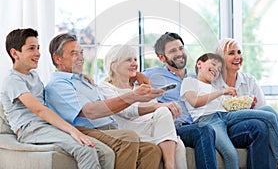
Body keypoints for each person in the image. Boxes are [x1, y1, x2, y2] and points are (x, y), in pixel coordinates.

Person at [143, 32, 271, 169]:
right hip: (179, 127)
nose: (179, 53)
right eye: (173, 51)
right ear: (161, 57)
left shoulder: (196, 77)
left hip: (209, 122)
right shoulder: (153, 75)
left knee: (258, 125)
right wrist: (159, 103)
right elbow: (131, 82)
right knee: (204, 130)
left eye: (181, 48)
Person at [44, 33, 163, 169]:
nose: (81, 58)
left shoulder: (82, 80)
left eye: (81, 53)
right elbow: (91, 112)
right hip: (84, 130)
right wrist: (133, 96)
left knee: (151, 150)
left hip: (107, 129)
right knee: (127, 137)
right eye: (74, 54)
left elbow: (110, 101)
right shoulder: (59, 84)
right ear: (57, 58)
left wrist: (139, 86)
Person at [1, 28, 115, 169]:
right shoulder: (13, 81)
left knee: (107, 153)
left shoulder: (33, 76)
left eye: (38, 48)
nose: (38, 53)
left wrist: (80, 77)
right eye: (31, 48)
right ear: (14, 53)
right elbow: (39, 109)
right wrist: (73, 131)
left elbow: (50, 95)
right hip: (31, 129)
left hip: (47, 126)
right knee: (85, 149)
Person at [181, 52, 278, 169]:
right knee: (231, 154)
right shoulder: (190, 81)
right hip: (208, 120)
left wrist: (247, 103)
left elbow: (228, 106)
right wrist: (221, 92)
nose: (216, 69)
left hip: (227, 116)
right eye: (213, 64)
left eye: (219, 68)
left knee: (269, 114)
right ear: (199, 64)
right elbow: (195, 102)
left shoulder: (214, 88)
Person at [214, 38, 278, 168]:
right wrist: (248, 110)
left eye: (239, 52)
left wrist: (251, 108)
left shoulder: (249, 80)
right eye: (231, 53)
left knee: (264, 120)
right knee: (263, 119)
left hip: (251, 124)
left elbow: (263, 110)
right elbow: (218, 115)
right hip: (227, 129)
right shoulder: (213, 83)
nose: (238, 56)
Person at [99, 44, 187, 169]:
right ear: (114, 64)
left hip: (147, 128)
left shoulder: (138, 86)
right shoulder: (105, 87)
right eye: (129, 60)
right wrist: (160, 106)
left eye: (135, 59)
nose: (134, 63)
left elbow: (155, 112)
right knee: (164, 115)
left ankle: (169, 165)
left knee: (178, 144)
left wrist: (166, 108)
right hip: (126, 131)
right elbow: (127, 111)